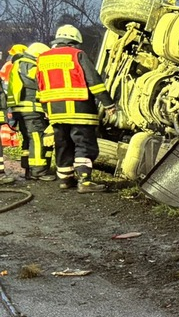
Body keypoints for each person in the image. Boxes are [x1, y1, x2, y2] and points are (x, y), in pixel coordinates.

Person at [36, 25, 115, 193]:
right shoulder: (77, 55)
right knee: (83, 144)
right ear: (75, 41)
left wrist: (45, 108)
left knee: (62, 144)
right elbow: (94, 81)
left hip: (55, 111)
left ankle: (65, 179)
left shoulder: (43, 58)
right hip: (80, 109)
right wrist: (108, 104)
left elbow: (40, 86)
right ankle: (85, 181)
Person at [7, 42, 55, 180]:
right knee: (37, 139)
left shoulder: (19, 64)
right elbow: (39, 81)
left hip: (22, 110)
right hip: (31, 110)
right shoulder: (28, 64)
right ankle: (38, 171)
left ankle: (28, 169)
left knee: (28, 140)